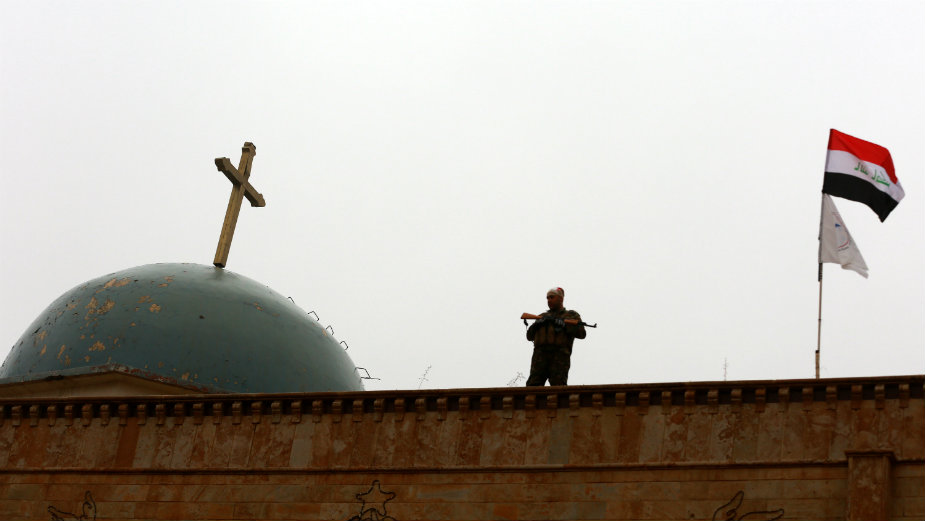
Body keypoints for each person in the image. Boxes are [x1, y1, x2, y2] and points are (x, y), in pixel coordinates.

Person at [525, 287, 586, 386]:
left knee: (559, 386)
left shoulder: (571, 315)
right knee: (533, 385)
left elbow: (582, 333)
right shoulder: (542, 316)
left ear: (560, 299)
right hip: (540, 357)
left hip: (560, 357)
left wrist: (564, 325)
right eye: (547, 298)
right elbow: (529, 336)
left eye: (552, 297)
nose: (549, 300)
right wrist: (537, 324)